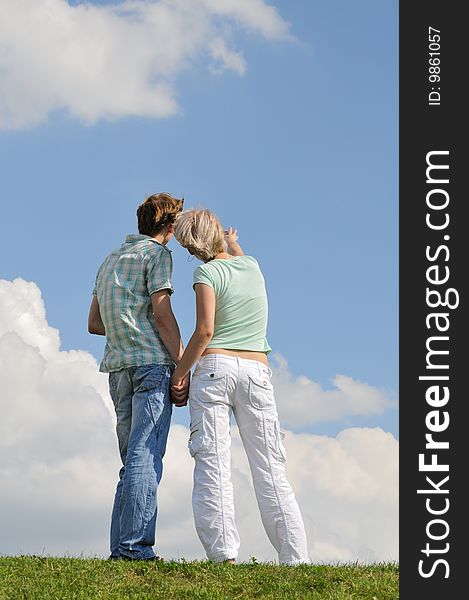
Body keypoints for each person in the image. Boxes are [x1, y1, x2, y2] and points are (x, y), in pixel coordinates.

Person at [171, 209, 310, 565]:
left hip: (215, 368)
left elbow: (204, 332)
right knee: (270, 468)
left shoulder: (206, 273)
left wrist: (179, 375)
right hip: (257, 371)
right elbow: (239, 255)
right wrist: (232, 241)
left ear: (192, 246)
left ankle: (223, 556)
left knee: (213, 464)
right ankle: (295, 559)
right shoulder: (252, 266)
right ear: (219, 234)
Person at [88, 192, 189, 561]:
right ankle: (135, 549)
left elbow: (94, 323)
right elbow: (162, 315)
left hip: (117, 370)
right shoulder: (157, 256)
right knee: (145, 458)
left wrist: (125, 325)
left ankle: (121, 548)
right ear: (170, 225)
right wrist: (182, 364)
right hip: (151, 365)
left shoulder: (109, 259)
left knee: (131, 460)